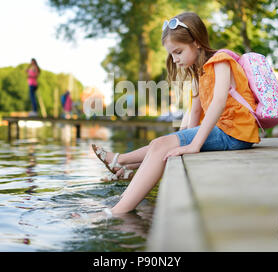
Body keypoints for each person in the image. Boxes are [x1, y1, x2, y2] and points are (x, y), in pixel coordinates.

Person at [90, 12, 261, 217]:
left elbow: (218, 102)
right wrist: (179, 139)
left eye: (178, 52)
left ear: (196, 42)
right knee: (159, 145)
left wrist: (193, 145)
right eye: (172, 54)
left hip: (235, 132)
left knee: (161, 145)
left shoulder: (221, 61)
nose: (175, 59)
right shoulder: (200, 71)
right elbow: (195, 110)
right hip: (226, 131)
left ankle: (117, 209)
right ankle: (125, 186)